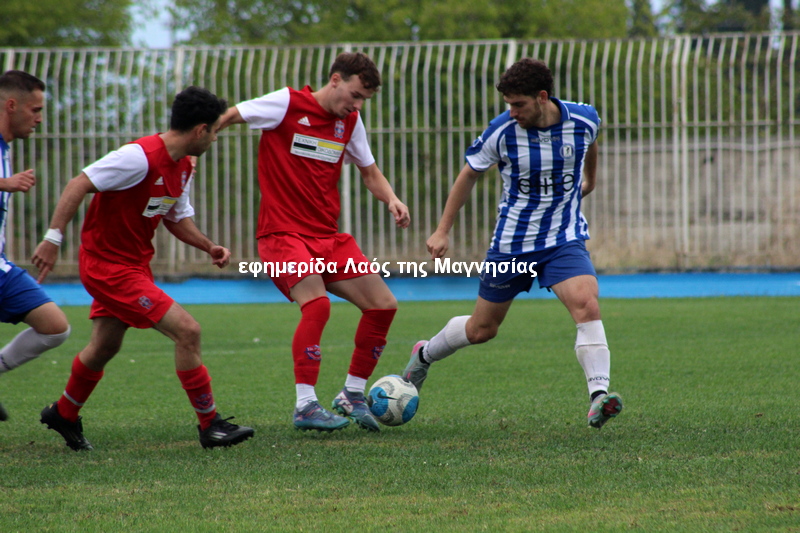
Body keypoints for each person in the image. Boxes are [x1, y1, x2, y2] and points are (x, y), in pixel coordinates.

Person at [403, 58, 623, 430]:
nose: (512, 111)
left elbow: (591, 142)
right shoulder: (502, 132)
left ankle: (599, 397)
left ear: (542, 97)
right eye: (508, 104)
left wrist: (590, 179)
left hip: (563, 239)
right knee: (481, 330)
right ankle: (423, 354)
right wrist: (442, 230)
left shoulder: (584, 119)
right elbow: (468, 175)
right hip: (512, 244)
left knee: (587, 303)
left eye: (518, 104)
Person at [31, 86, 254, 450]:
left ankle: (64, 413)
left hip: (134, 265)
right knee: (188, 331)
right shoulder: (138, 157)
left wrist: (208, 245)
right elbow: (78, 184)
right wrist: (53, 239)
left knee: (104, 346)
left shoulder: (183, 166)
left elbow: (174, 216)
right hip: (108, 267)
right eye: (215, 130)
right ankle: (210, 424)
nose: (215, 137)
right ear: (200, 130)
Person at [218, 52, 410, 433]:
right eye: (354, 95)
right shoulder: (287, 104)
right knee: (317, 305)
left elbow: (369, 172)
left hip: (326, 236)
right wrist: (192, 151)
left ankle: (352, 394)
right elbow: (231, 114)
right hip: (281, 235)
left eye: (363, 100)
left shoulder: (349, 122)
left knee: (383, 305)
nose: (356, 105)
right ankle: (306, 404)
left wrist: (391, 198)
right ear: (335, 79)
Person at [0, 71, 71, 421]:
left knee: (54, 326)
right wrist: (3, 182)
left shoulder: (6, 147)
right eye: (35, 109)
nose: (39, 119)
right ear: (11, 105)